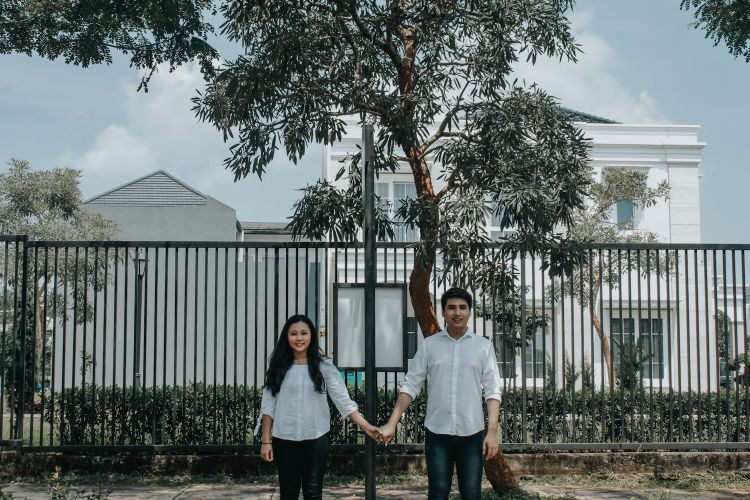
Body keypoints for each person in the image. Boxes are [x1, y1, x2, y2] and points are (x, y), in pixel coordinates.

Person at [378, 287, 502, 500]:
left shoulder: (483, 347)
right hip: (437, 434)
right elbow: (410, 386)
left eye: (463, 307)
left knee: (472, 494)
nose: (457, 313)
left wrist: (491, 432)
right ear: (443, 312)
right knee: (437, 494)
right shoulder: (430, 345)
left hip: (471, 434)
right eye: (451, 307)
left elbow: (492, 391)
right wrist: (391, 423)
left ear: (469, 312)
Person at [258, 314, 379, 500]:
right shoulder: (278, 366)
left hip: (316, 438)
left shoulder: (324, 366)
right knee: (288, 493)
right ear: (286, 337)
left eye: (304, 333)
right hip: (284, 437)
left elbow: (344, 402)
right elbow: (268, 405)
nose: (299, 338)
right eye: (293, 334)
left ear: (311, 336)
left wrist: (367, 426)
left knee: (313, 493)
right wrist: (266, 441)